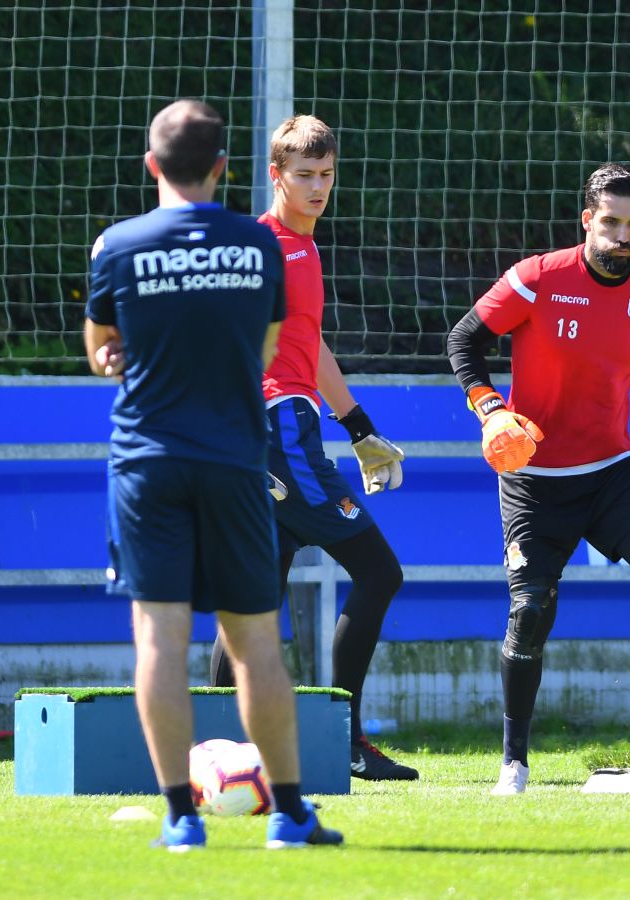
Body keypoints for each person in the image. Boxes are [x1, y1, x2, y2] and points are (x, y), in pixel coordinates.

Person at [84, 99, 342, 850]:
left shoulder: (118, 243)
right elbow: (264, 354)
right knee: (256, 641)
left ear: (151, 166)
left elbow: (102, 348)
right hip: (233, 457)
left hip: (147, 460)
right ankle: (291, 817)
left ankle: (179, 818)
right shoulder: (255, 245)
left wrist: (124, 358)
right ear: (225, 167)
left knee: (158, 640)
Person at [447, 163, 630, 796]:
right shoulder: (538, 278)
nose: (620, 236)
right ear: (587, 221)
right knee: (530, 611)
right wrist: (490, 409)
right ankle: (514, 761)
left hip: (612, 471)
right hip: (534, 475)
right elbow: (465, 340)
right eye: (610, 223)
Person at [203, 114, 416, 782]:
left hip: (286, 428)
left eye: (326, 175)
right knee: (380, 572)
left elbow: (310, 344)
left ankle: (211, 749)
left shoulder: (307, 245)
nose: (318, 187)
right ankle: (346, 740)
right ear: (275, 176)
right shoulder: (260, 246)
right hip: (276, 431)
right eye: (304, 175)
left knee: (253, 596)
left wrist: (358, 427)